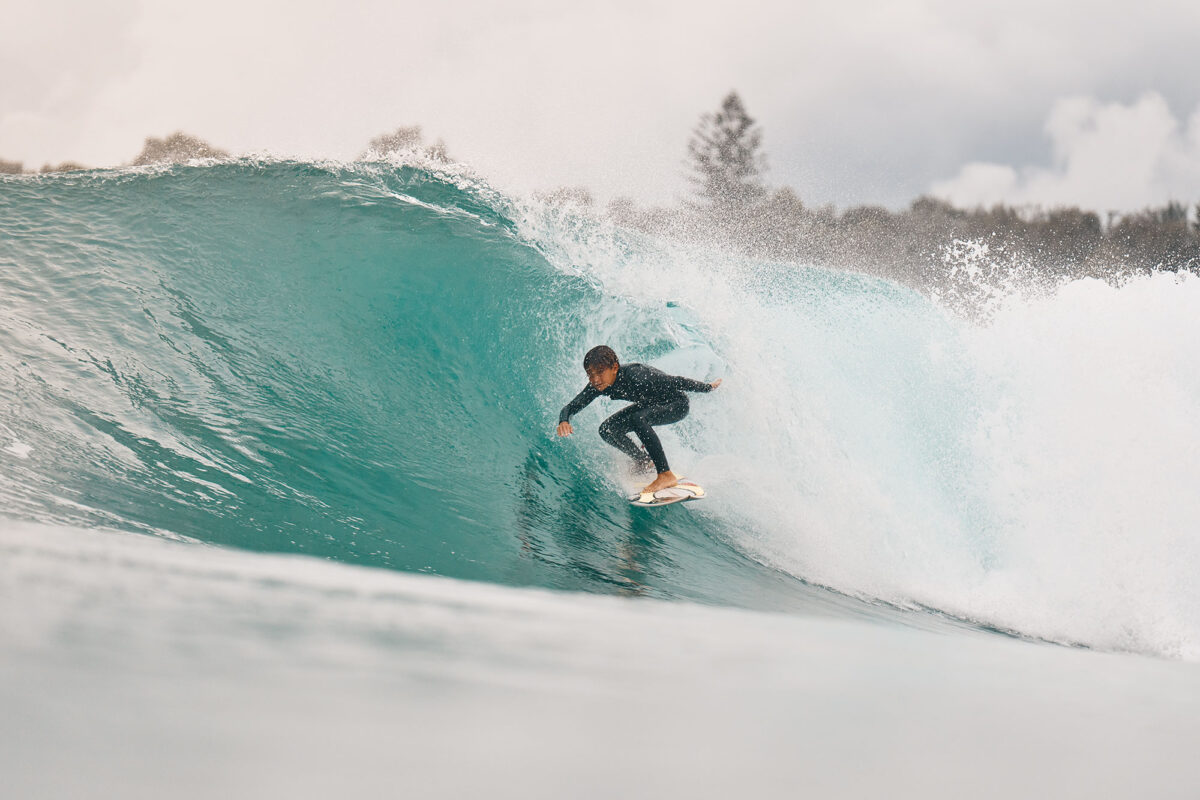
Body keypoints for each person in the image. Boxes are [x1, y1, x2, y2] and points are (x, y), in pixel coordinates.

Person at [556, 345, 722, 493]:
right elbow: (572, 406)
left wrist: (708, 387)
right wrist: (564, 420)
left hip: (676, 404)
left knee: (637, 418)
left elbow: (676, 381)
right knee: (607, 429)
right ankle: (643, 460)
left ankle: (665, 474)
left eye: (599, 373)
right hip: (650, 405)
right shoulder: (599, 385)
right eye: (590, 375)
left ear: (614, 368)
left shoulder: (637, 375)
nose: (595, 380)